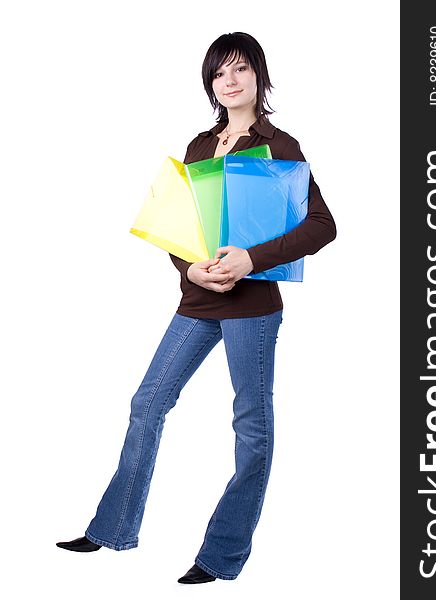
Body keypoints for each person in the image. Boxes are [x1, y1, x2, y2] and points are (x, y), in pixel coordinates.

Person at [56, 31, 336, 584]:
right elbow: (177, 228)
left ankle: (221, 556)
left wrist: (249, 260)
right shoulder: (200, 145)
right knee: (147, 404)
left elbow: (323, 226)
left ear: (259, 75)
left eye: (239, 70)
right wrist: (190, 268)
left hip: (253, 308)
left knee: (251, 428)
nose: (229, 81)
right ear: (211, 85)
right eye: (218, 74)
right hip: (197, 301)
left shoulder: (281, 146)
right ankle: (112, 527)